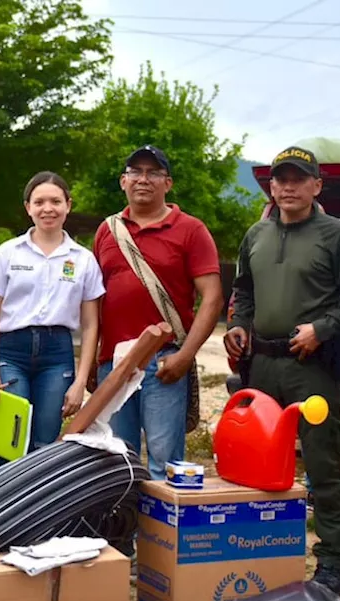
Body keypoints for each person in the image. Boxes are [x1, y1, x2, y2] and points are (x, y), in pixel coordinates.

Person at [223, 146, 340, 595]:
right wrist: (238, 325)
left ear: (316, 186)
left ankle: (333, 558)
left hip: (312, 370)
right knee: (256, 460)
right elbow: (242, 291)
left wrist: (323, 329)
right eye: (279, 178)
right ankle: (257, 549)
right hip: (261, 366)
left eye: (298, 178)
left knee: (322, 464)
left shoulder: (338, 235)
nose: (287, 186)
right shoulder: (256, 235)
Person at [93, 145, 224, 480]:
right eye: (135, 172)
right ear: (123, 181)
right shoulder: (107, 231)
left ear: (168, 183)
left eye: (153, 173)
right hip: (115, 364)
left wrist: (185, 355)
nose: (143, 179)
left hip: (164, 363)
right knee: (117, 462)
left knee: (164, 465)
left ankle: (161, 535)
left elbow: (212, 298)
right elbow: (93, 302)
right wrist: (95, 361)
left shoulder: (191, 230)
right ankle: (122, 534)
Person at [0, 172, 104, 465]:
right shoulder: (7, 253)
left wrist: (80, 380)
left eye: (55, 201)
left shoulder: (83, 259)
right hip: (12, 351)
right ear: (28, 207)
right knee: (9, 439)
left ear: (68, 205)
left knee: (45, 442)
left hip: (57, 355)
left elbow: (90, 325)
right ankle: (6, 509)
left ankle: (40, 510)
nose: (48, 208)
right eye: (40, 202)